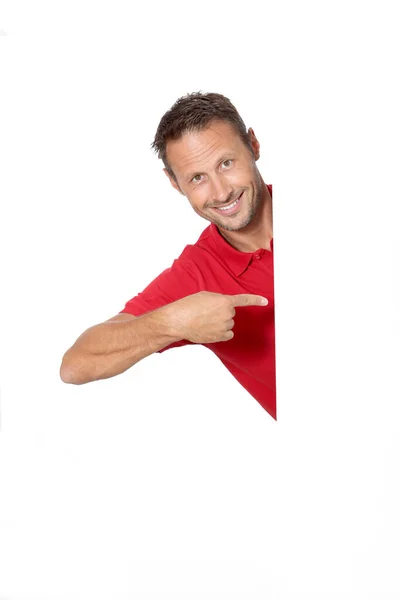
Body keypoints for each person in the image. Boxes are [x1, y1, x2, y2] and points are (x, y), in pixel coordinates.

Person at [60, 92, 276, 419]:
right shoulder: (197, 276)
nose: (221, 192)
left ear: (254, 146)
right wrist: (175, 322)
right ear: (175, 184)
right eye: (197, 178)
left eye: (226, 163)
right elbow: (75, 365)